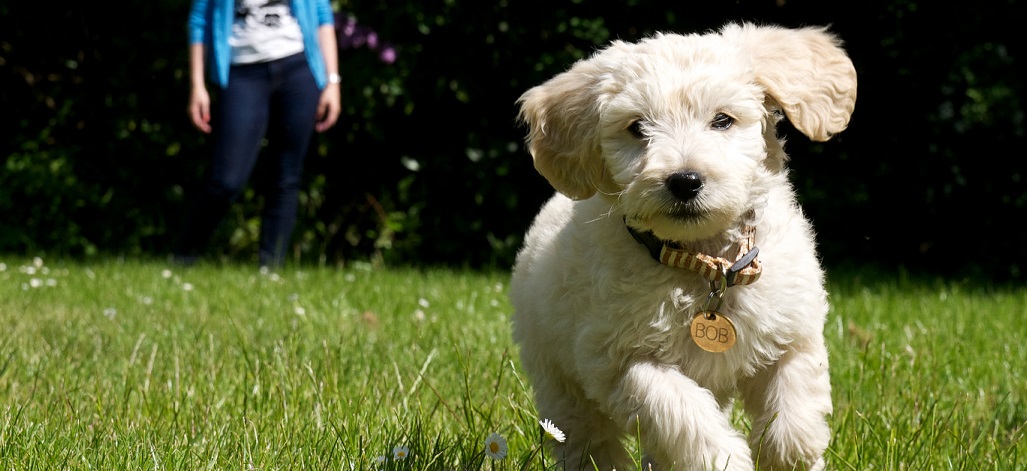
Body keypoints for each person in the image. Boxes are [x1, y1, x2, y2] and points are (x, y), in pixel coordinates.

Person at [175, 0, 341, 268]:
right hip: (241, 72)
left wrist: (332, 81)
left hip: (298, 67)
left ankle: (270, 268)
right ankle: (183, 259)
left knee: (286, 176)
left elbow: (322, 14)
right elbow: (199, 19)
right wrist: (197, 84)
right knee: (226, 180)